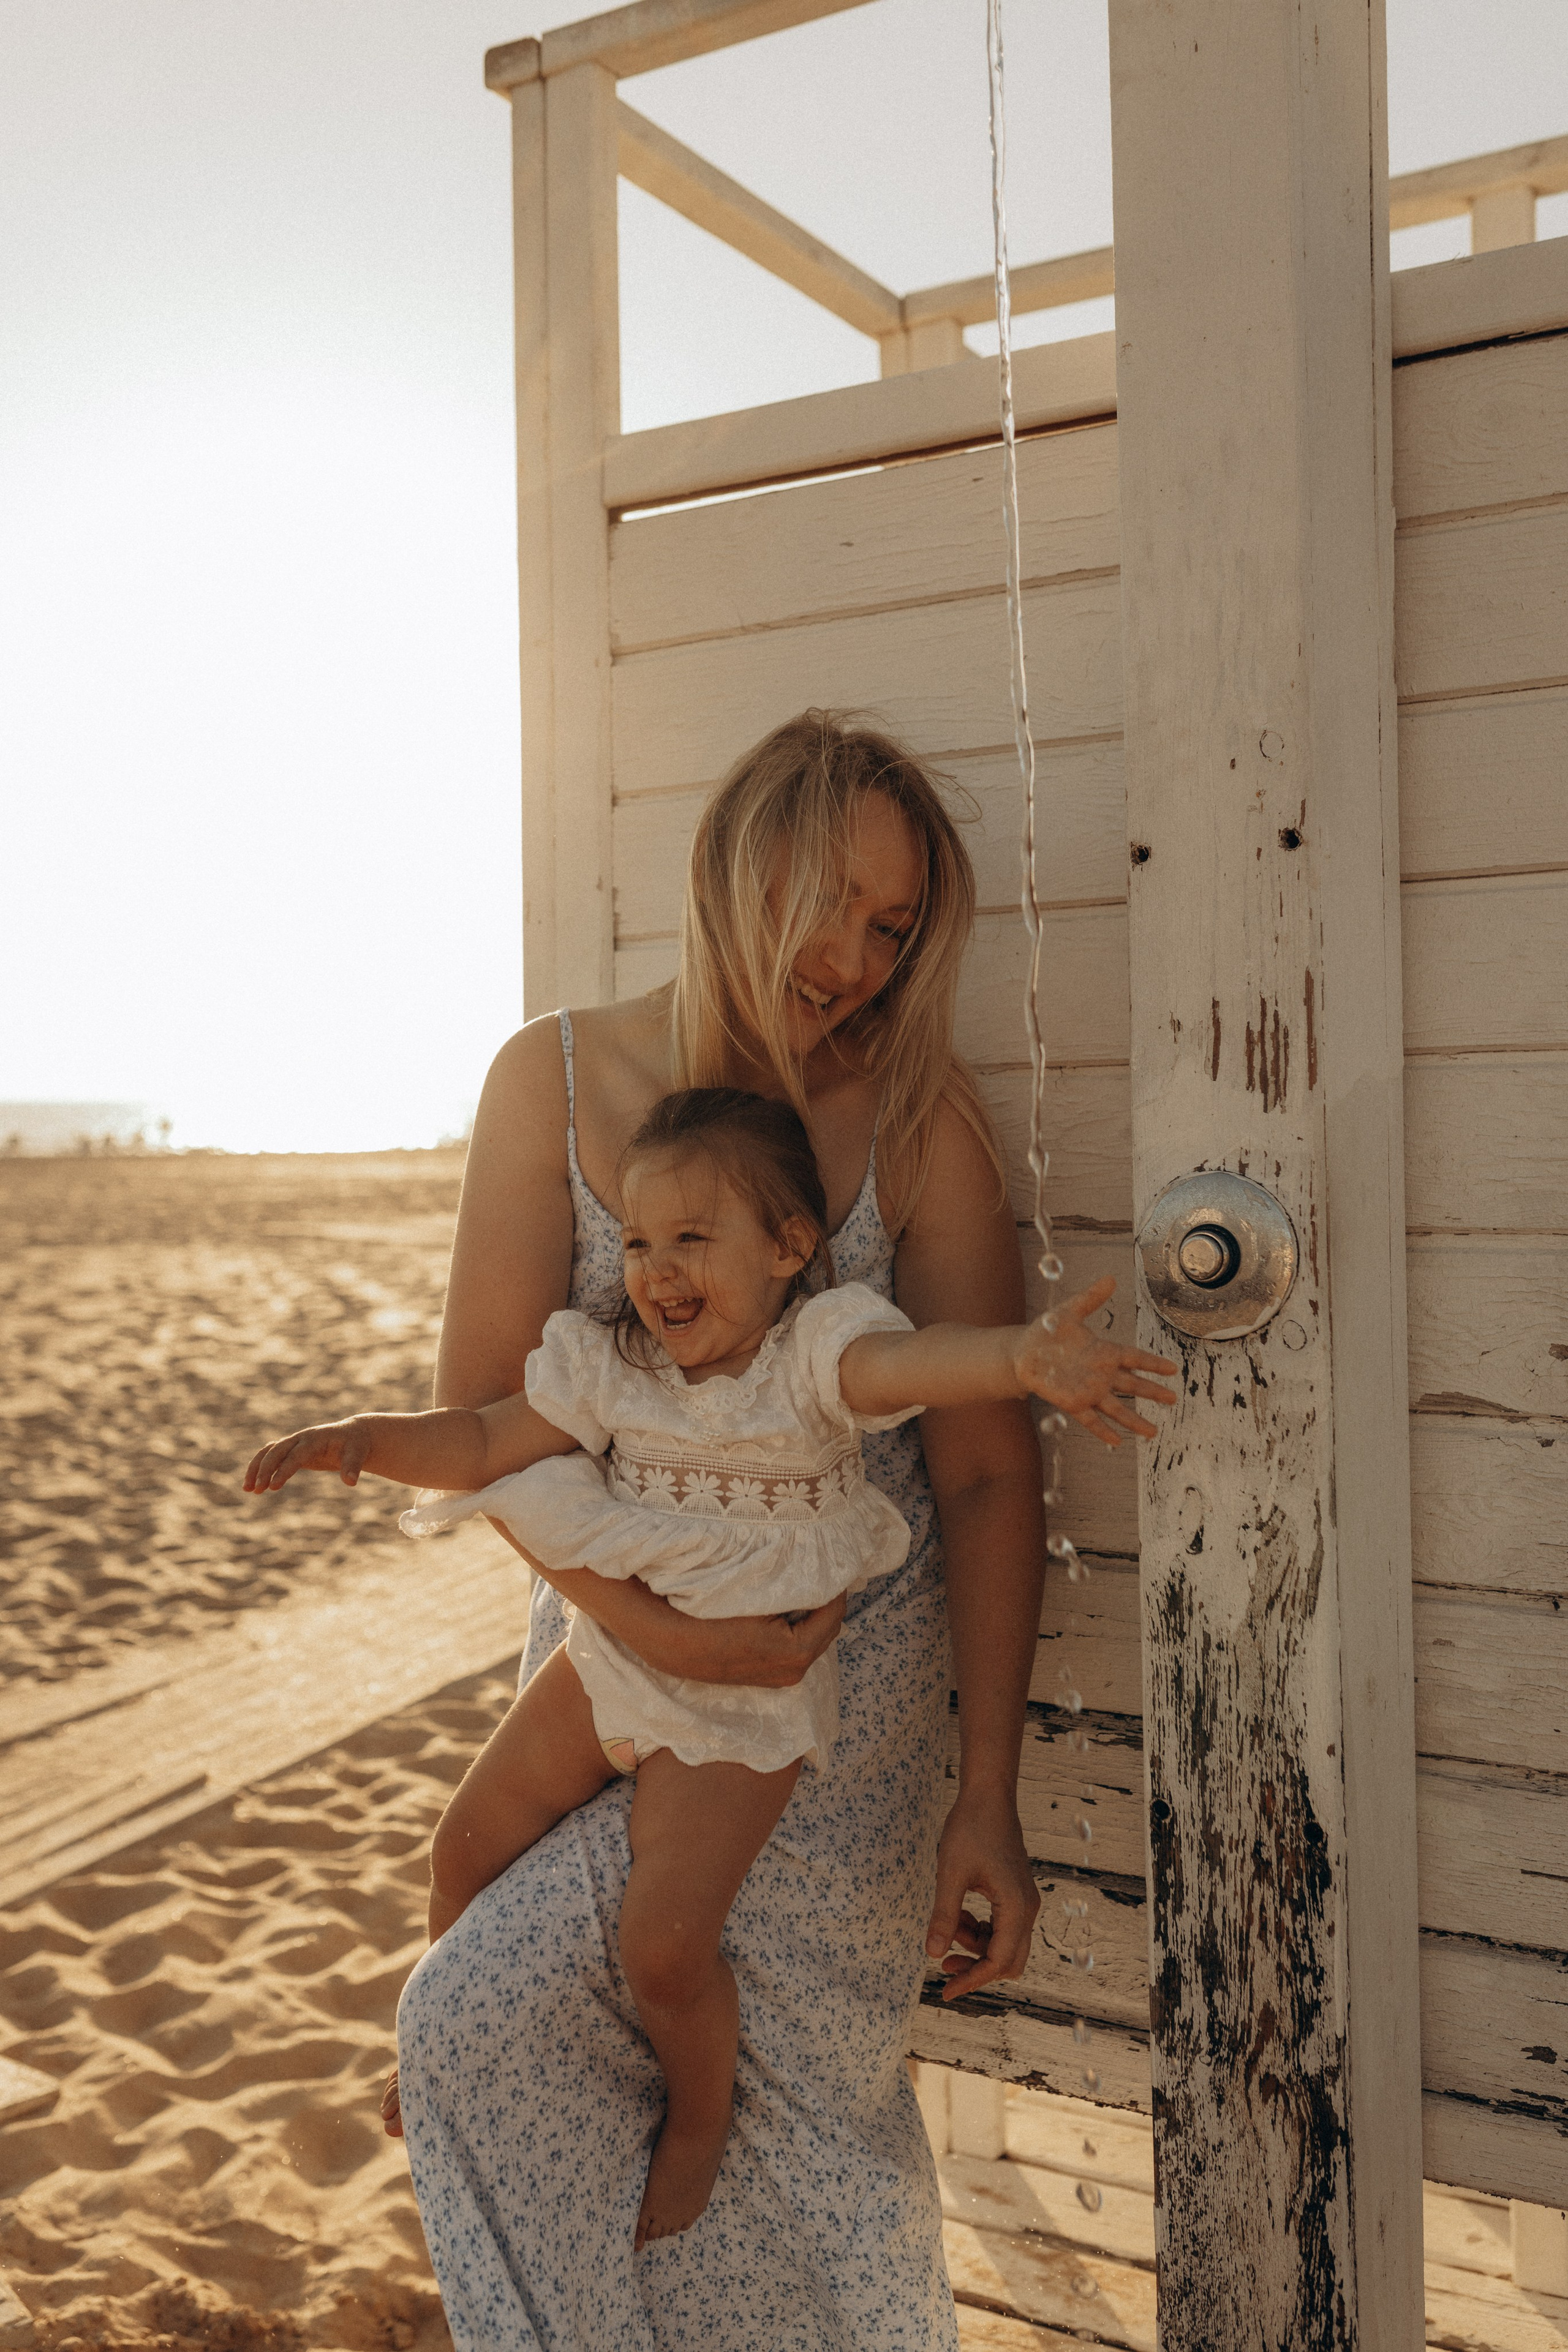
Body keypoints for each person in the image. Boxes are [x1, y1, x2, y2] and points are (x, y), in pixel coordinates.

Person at [363, 708, 1149, 2348]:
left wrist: (986, 1793)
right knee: (485, 2029)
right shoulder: (557, 1081)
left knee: (800, 2124)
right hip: (615, 1684)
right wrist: (645, 1629)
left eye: (893, 926)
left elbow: (991, 1474)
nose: (857, 957)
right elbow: (490, 1416)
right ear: (737, 858)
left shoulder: (918, 1126)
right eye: (835, 900)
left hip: (836, 1724)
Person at [244, 1087, 1174, 2254]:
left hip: (745, 1707)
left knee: (662, 1946)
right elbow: (482, 1439)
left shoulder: (815, 1357)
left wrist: (1023, 1359)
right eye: (638, 1240)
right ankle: (442, 2057)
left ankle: (699, 2117)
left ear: (790, 1250)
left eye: (693, 1240)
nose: (656, 1269)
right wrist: (367, 1443)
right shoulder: (611, 1367)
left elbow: (918, 1363)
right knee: (460, 1846)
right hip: (612, 1666)